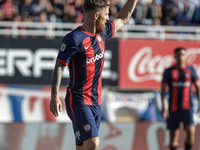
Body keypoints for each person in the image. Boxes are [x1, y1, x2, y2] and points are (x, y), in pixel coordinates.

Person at [49, 0, 138, 149]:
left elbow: (123, 18)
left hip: (96, 102)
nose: (108, 18)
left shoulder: (103, 32)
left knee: (83, 146)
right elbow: (59, 66)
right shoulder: (74, 38)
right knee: (93, 142)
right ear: (96, 16)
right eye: (106, 15)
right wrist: (54, 96)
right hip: (78, 101)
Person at [161, 47, 200, 150]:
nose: (180, 57)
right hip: (174, 108)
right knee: (174, 136)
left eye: (182, 55)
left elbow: (198, 87)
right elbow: (163, 90)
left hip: (188, 108)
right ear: (175, 57)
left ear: (186, 56)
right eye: (178, 55)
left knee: (191, 132)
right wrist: (164, 106)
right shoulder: (169, 71)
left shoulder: (191, 70)